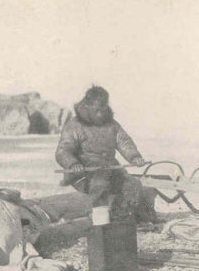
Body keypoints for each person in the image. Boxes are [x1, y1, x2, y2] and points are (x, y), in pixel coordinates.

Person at [55, 85, 156, 222]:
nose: (100, 114)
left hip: (111, 168)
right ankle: (94, 218)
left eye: (103, 110)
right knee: (100, 187)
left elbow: (124, 142)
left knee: (132, 184)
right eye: (96, 110)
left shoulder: (112, 125)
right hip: (85, 173)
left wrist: (134, 157)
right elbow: (63, 150)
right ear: (87, 106)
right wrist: (73, 163)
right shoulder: (74, 125)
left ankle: (128, 217)